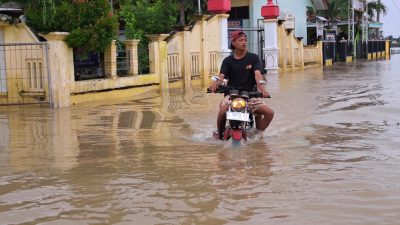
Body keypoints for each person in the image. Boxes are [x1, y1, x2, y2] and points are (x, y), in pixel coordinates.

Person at [209, 30, 274, 140]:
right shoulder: (228, 60)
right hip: (232, 96)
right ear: (233, 43)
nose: (244, 42)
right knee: (222, 112)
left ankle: (258, 133)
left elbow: (257, 73)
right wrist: (215, 84)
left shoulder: (253, 58)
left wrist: (261, 87)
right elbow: (221, 76)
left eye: (245, 40)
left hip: (250, 96)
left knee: (269, 113)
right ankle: (220, 136)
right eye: (240, 40)